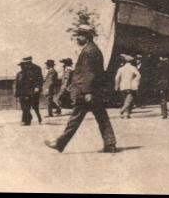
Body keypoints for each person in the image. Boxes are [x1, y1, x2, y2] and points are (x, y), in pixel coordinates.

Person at [45, 24, 117, 153]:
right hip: (91, 91)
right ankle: (110, 144)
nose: (77, 38)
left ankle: (59, 143)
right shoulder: (91, 49)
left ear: (87, 37)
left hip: (86, 92)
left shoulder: (89, 51)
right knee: (101, 118)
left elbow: (89, 73)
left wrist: (87, 92)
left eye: (80, 35)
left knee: (75, 119)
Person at [15, 57, 43, 126]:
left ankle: (28, 120)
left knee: (32, 106)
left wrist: (37, 88)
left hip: (32, 90)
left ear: (29, 62)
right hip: (24, 91)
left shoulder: (36, 68)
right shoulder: (22, 71)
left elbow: (39, 79)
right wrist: (17, 92)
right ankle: (26, 119)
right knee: (24, 106)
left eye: (25, 63)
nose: (24, 65)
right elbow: (19, 82)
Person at [114, 55, 140, 119]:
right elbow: (139, 75)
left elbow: (117, 78)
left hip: (122, 86)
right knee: (129, 101)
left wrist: (116, 86)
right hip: (130, 86)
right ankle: (121, 111)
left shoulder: (120, 69)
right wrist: (136, 82)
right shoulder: (133, 68)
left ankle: (126, 115)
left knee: (125, 100)